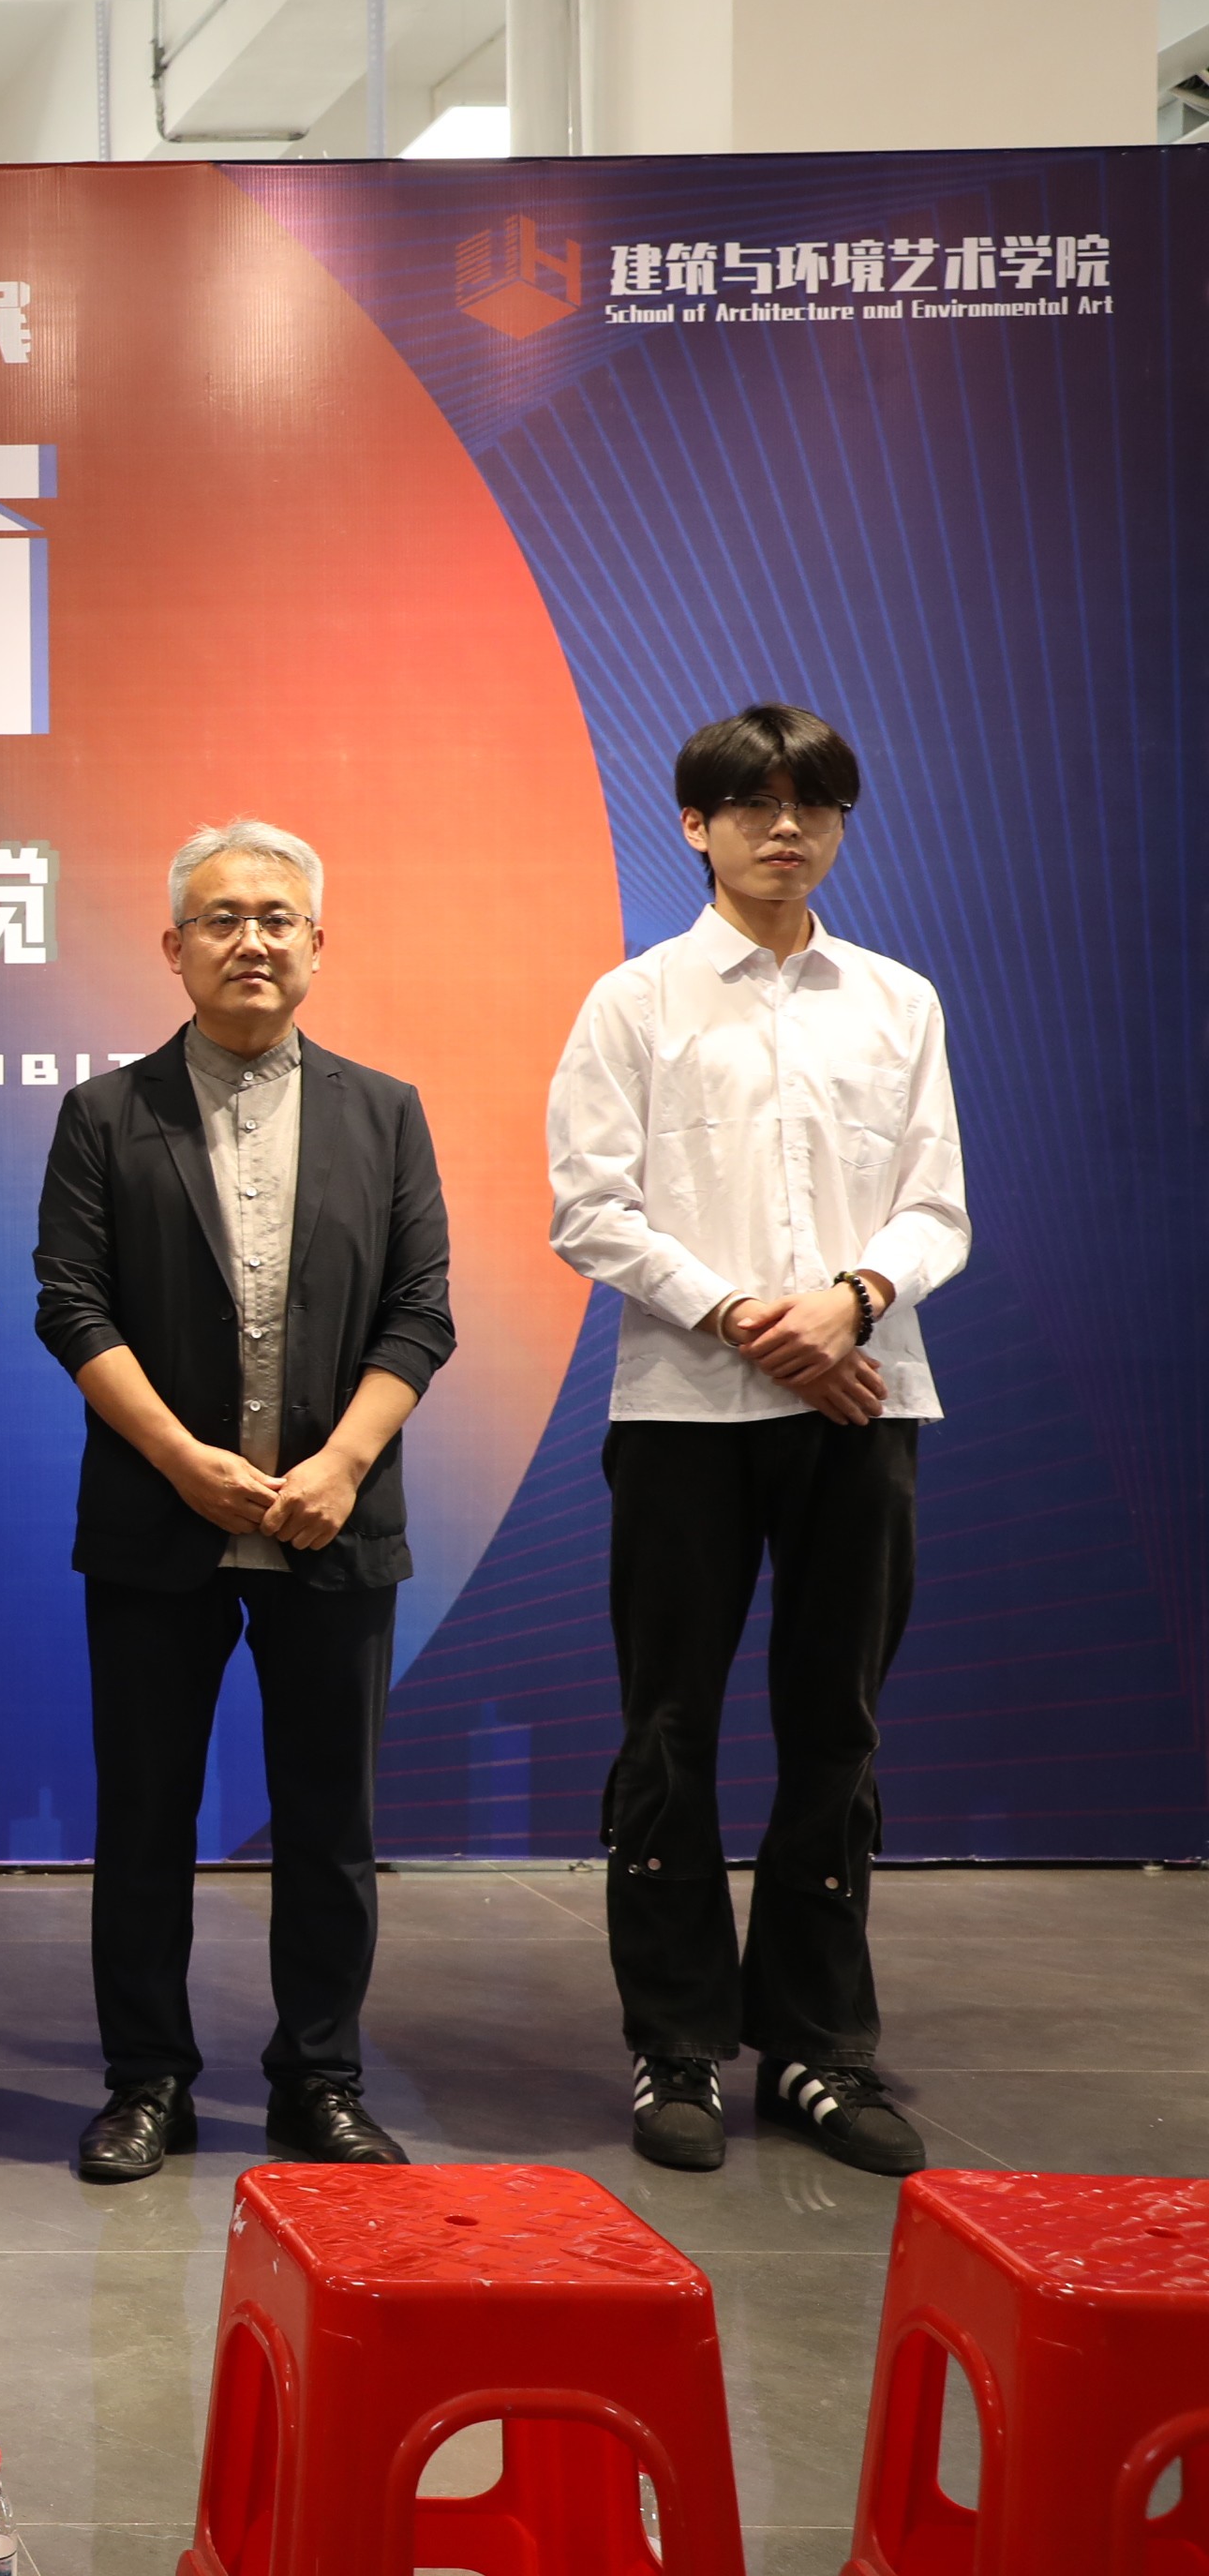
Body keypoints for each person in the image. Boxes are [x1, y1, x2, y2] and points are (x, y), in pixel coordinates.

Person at [547, 705, 965, 2179]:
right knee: (668, 1730)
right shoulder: (636, 1002)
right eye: (753, 806)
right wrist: (739, 1315)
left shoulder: (897, 1002)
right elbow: (589, 1206)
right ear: (697, 826)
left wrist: (850, 1302)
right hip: (686, 1411)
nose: (785, 829)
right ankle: (675, 2042)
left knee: (835, 1728)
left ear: (840, 825)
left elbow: (936, 1208)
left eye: (814, 806)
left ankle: (816, 2047)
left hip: (862, 1401)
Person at [33, 819, 453, 2184]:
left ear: (318, 944)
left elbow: (421, 1310)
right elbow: (71, 1305)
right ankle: (144, 2079)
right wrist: (179, 1459)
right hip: (159, 1523)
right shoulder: (107, 1115)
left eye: (277, 918)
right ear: (174, 947)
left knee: (332, 1828)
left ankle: (319, 2079)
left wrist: (342, 1466)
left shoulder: (385, 1111)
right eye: (221, 918)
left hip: (335, 1525)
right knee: (145, 1820)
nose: (251, 940)